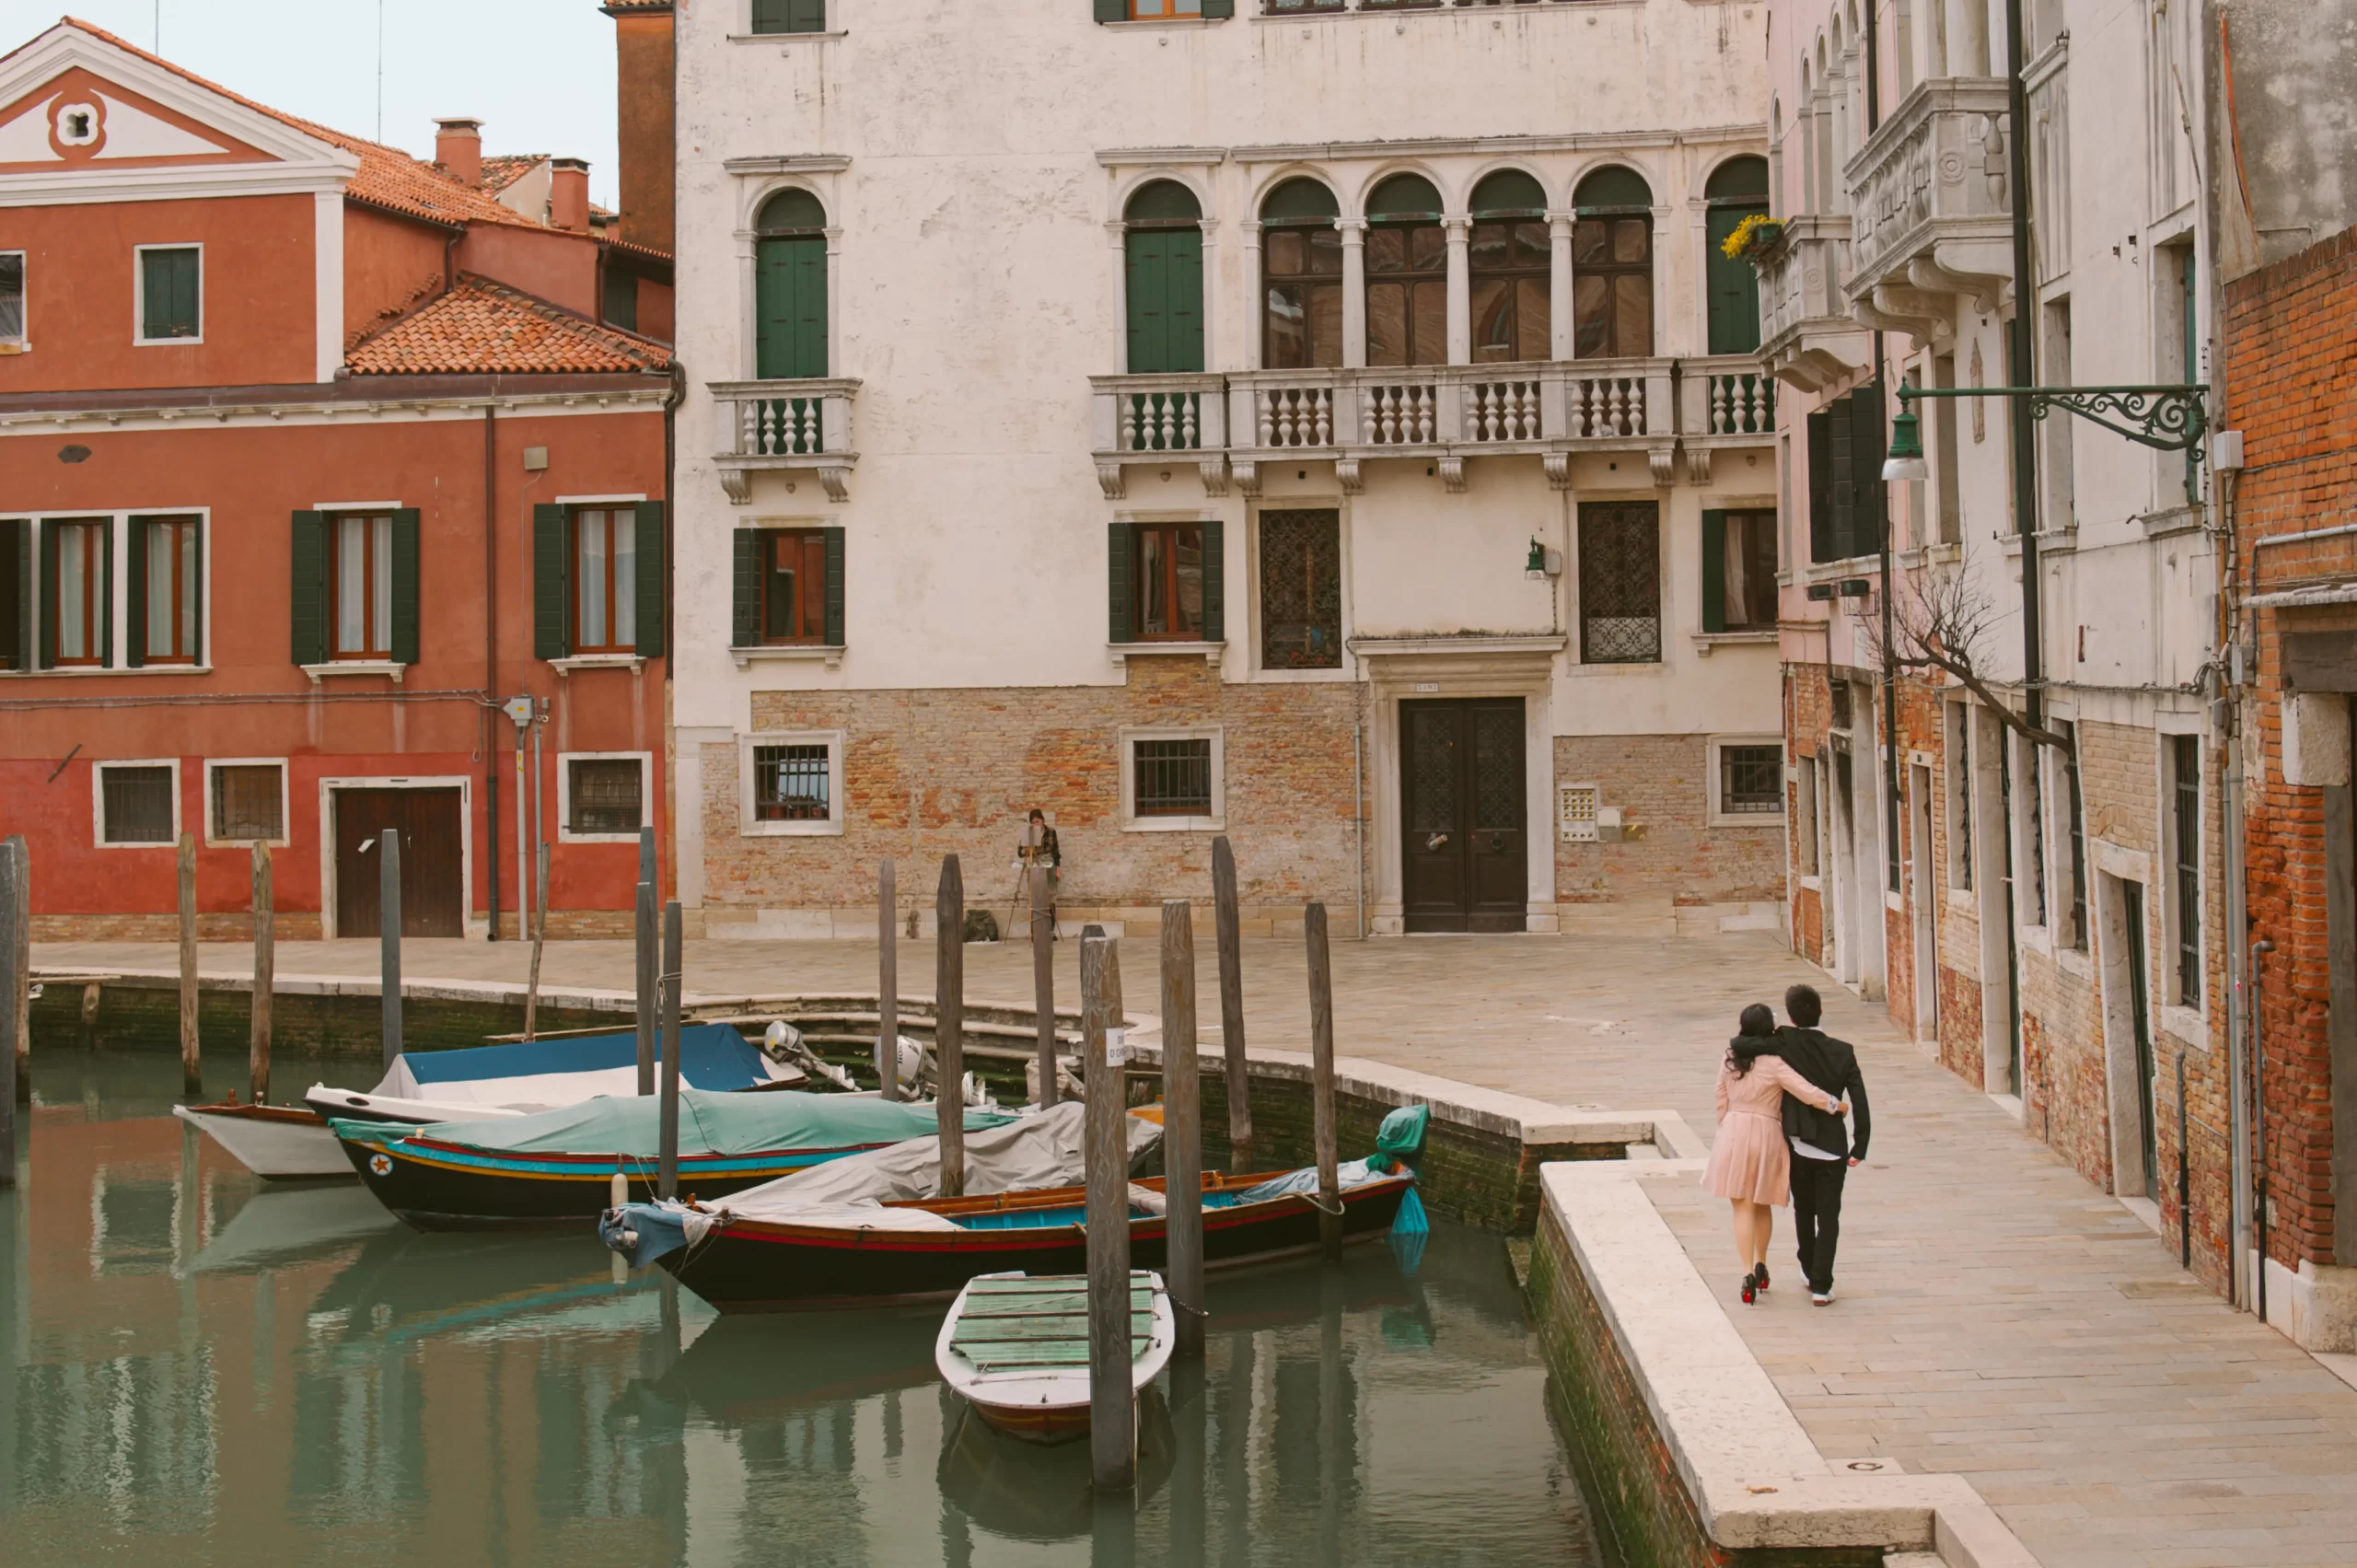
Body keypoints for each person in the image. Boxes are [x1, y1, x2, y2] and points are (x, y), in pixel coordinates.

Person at [1703, 1004, 1845, 1305]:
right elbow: (1807, 1092)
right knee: (1761, 1202)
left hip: (1734, 1129)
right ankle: (1761, 1262)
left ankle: (1746, 1273)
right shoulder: (1775, 1063)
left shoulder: (1730, 1058)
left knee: (1741, 1206)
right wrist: (1836, 1105)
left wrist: (1727, 1127)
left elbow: (1720, 1097)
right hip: (1767, 1133)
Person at [1776, 983, 1871, 1307]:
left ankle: (1807, 1266)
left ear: (1790, 1015)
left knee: (1804, 1208)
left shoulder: (1783, 1042)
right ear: (1821, 1012)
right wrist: (1860, 1145)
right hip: (1833, 1147)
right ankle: (1821, 1285)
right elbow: (1859, 1099)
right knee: (1829, 1216)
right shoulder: (1843, 1051)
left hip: (1799, 1143)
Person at [1021, 808, 1061, 934]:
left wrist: (1058, 870)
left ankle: (1050, 931)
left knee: (1050, 897)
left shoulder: (1051, 832)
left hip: (1049, 864)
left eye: (1037, 821)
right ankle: (1036, 931)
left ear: (1042, 820)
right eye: (1033, 822)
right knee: (1035, 896)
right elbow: (1020, 853)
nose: (1036, 824)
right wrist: (1026, 847)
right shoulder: (1029, 833)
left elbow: (1056, 852)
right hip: (1034, 864)